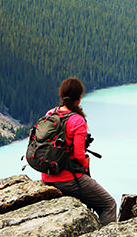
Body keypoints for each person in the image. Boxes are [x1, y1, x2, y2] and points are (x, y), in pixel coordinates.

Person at [40, 77, 117, 225]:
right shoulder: (77, 121)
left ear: (61, 96)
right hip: (68, 179)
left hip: (47, 176)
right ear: (79, 98)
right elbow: (78, 154)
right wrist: (85, 163)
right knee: (108, 204)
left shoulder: (50, 113)